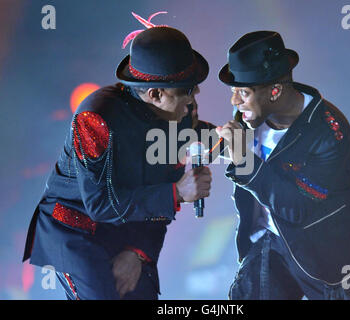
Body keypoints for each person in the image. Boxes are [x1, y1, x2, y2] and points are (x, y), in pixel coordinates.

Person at [22, 13, 212, 300]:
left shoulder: (179, 117)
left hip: (128, 228)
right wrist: (177, 193)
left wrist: (138, 251)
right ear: (156, 94)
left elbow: (161, 188)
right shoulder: (96, 118)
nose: (195, 93)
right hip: (75, 228)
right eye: (186, 88)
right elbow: (100, 203)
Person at [216, 31, 350, 300]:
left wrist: (244, 163)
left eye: (243, 92)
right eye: (234, 91)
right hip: (272, 244)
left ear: (274, 91)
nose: (234, 101)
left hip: (333, 257)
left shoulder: (328, 131)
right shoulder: (250, 115)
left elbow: (298, 208)